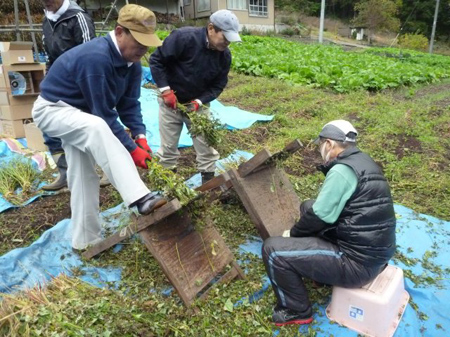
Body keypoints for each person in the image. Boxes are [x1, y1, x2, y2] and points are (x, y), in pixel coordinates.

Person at [32, 4, 167, 252]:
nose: (143, 49)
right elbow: (103, 115)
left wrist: (140, 137)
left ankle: (85, 240)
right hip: (52, 110)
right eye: (138, 41)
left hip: (79, 115)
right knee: (96, 127)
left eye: (147, 43)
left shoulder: (132, 63)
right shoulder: (96, 58)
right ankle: (140, 197)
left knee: (83, 174)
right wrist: (131, 151)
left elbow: (129, 103)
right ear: (119, 32)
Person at [262, 120, 396, 326]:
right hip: (376, 255)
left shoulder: (342, 170)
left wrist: (292, 235)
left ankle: (295, 310)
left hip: (357, 265)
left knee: (273, 250)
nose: (320, 150)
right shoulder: (362, 160)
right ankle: (319, 272)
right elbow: (317, 210)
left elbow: (320, 216)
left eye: (321, 144)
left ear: (330, 144)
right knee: (308, 206)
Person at [150, 9, 241, 184]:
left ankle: (208, 184)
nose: (227, 43)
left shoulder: (224, 56)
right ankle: (171, 189)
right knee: (168, 148)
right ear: (211, 28)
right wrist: (165, 90)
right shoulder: (184, 38)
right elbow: (156, 60)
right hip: (171, 102)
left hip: (197, 104)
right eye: (225, 37)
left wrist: (199, 102)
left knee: (205, 146)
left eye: (231, 39)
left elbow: (218, 85)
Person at [40, 0, 97, 191]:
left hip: (79, 83)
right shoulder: (46, 21)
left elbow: (90, 55)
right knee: (49, 128)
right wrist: (48, 81)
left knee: (92, 125)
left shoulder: (78, 18)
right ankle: (64, 172)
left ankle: (102, 170)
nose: (46, 3)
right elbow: (50, 56)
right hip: (59, 82)